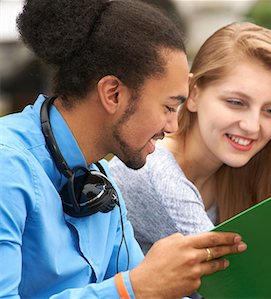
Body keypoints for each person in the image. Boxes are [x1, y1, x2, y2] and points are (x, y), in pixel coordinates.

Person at [0, 0, 248, 298]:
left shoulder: (101, 184)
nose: (173, 126)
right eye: (168, 107)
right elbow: (137, 287)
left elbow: (147, 286)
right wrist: (132, 288)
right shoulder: (7, 165)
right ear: (113, 93)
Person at [109, 22, 271, 297]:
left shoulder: (242, 167)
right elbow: (239, 285)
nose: (252, 126)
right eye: (236, 102)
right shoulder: (156, 171)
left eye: (270, 111)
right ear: (194, 93)